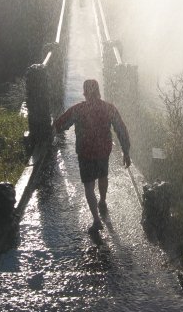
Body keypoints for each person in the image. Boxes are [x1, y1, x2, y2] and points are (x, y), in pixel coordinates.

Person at [53, 79, 131, 233]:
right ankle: (102, 201)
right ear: (98, 91)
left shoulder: (78, 109)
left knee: (89, 186)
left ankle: (96, 220)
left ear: (84, 92)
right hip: (103, 151)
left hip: (85, 152)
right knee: (103, 176)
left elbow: (61, 124)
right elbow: (121, 129)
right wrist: (126, 151)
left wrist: (51, 131)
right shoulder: (109, 108)